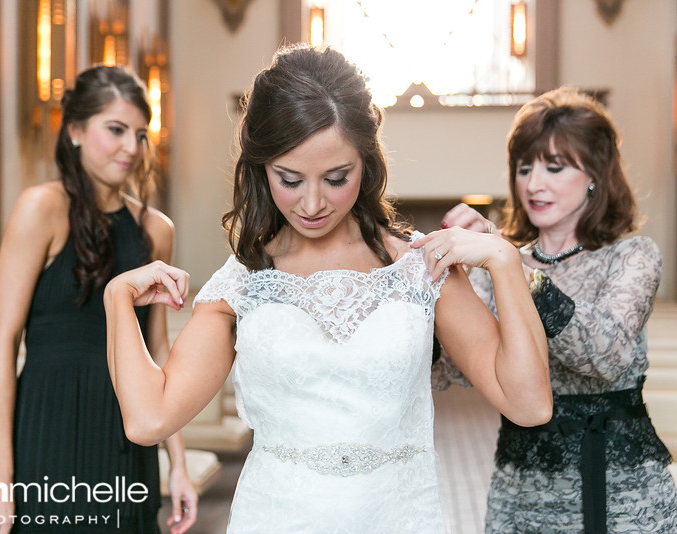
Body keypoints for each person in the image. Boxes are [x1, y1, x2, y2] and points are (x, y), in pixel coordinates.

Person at [103, 44, 552, 534]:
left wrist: (505, 262)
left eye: (336, 178)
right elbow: (148, 420)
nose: (312, 203)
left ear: (367, 161)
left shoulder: (422, 267)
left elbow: (528, 404)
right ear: (261, 168)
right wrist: (116, 299)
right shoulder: (244, 282)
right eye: (289, 178)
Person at [434, 86, 677, 533]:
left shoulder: (631, 256)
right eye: (524, 168)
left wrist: (514, 270)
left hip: (621, 491)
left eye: (554, 167)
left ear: (595, 174)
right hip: (522, 486)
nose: (533, 184)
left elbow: (606, 355)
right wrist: (440, 281)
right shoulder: (499, 262)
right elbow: (448, 370)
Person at [0, 65, 197, 534]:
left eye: (140, 134)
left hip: (125, 429)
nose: (131, 148)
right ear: (74, 130)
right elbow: (2, 343)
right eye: (115, 130)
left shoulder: (157, 229)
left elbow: (159, 356)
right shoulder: (40, 209)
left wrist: (178, 464)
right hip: (47, 423)